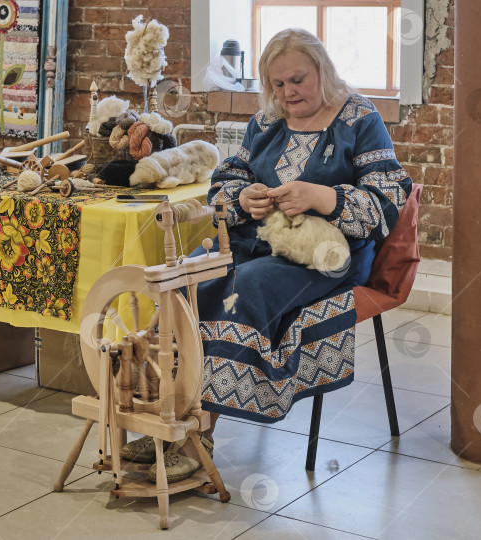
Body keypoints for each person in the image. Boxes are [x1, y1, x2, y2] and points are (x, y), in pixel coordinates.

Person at [123, 28, 413, 482]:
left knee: (245, 287)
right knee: (191, 278)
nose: (287, 93)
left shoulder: (359, 118)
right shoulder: (267, 122)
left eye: (297, 80)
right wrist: (243, 200)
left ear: (323, 69)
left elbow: (388, 201)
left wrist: (322, 197)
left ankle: (199, 437)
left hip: (325, 257)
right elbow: (227, 180)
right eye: (277, 84)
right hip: (257, 243)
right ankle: (167, 419)